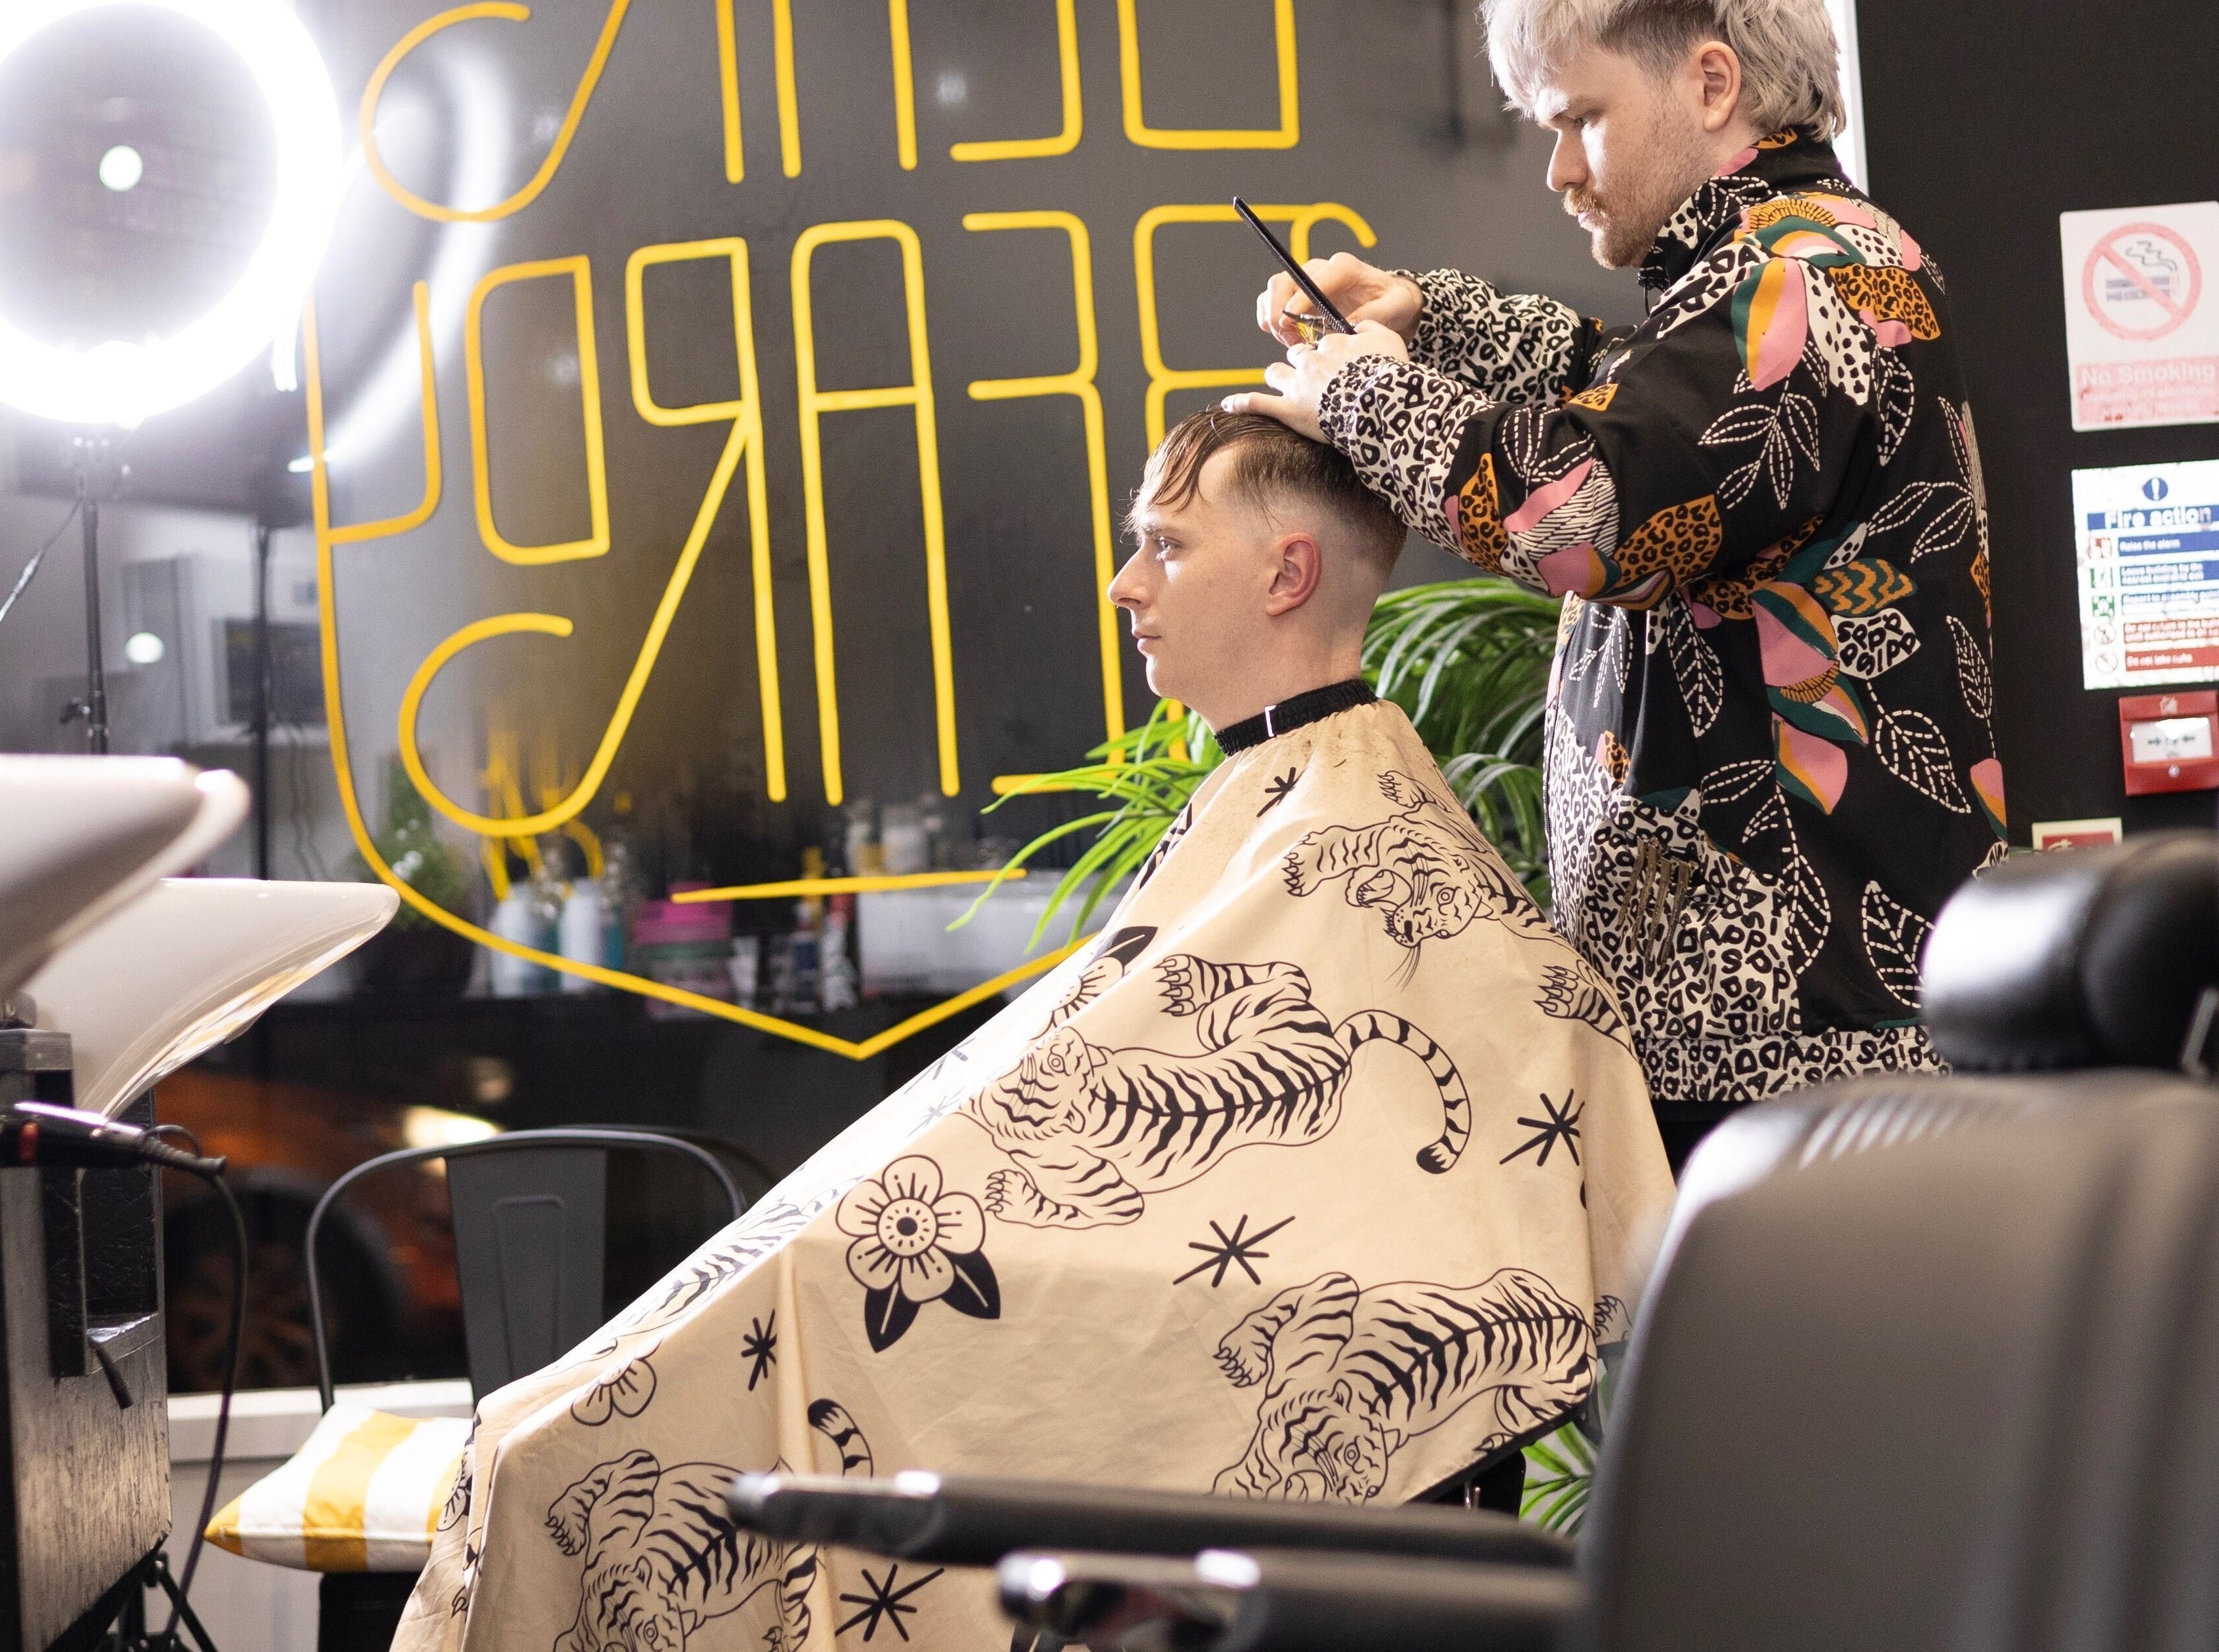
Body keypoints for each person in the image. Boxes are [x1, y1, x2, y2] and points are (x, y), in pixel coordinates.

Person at [388, 411, 1671, 1652]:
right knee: (529, 1435)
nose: (1124, 583)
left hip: (900, 1328)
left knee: (546, 1457)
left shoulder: (1367, 842)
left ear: (1288, 572)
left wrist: (846, 1263)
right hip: (856, 1291)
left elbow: (1412, 1218)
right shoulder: (1268, 806)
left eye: (1166, 545)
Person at [1231, 0, 2002, 1152]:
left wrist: (1359, 392)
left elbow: (1591, 512)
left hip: (1801, 1043)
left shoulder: (1812, 274)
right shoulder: (1782, 267)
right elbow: (1647, 397)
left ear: (1709, 84)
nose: (1558, 169)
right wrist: (1425, 323)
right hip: (1766, 1032)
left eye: (1582, 119)